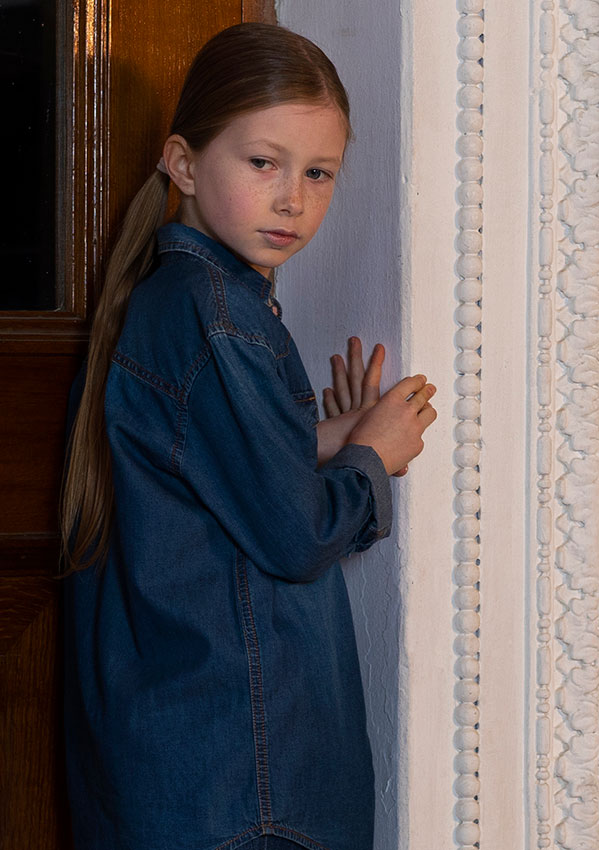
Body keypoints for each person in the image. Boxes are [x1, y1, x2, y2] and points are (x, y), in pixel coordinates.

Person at [61, 22, 437, 850]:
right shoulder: (220, 313)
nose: (291, 198)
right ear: (185, 163)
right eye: (263, 162)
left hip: (182, 768)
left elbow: (202, 465)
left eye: (318, 173)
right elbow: (295, 536)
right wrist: (375, 458)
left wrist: (322, 436)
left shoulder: (170, 300)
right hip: (244, 782)